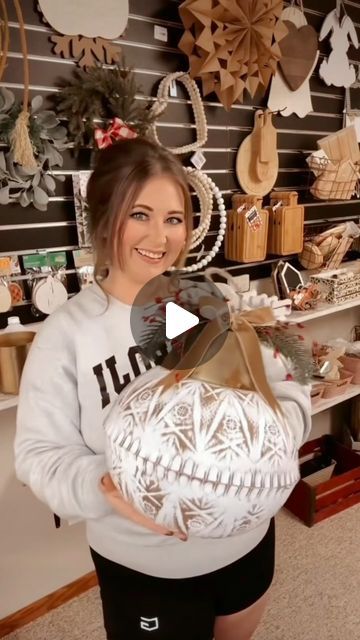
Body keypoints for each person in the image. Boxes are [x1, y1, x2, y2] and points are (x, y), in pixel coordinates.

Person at [14, 137, 311, 640]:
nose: (160, 235)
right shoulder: (67, 335)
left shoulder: (199, 304)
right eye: (140, 214)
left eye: (174, 218)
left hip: (246, 544)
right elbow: (38, 455)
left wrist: (281, 433)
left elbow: (280, 385)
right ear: (106, 219)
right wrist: (106, 486)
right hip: (147, 568)